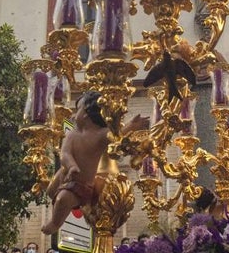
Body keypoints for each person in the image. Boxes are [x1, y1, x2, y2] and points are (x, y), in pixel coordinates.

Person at [40, 91, 148, 235]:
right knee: (50, 191)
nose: (73, 114)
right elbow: (64, 153)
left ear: (86, 114)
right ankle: (59, 202)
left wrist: (132, 125)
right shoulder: (71, 135)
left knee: (62, 199)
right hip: (65, 173)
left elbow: (117, 137)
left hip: (82, 185)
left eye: (77, 109)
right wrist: (71, 166)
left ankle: (54, 223)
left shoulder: (101, 134)